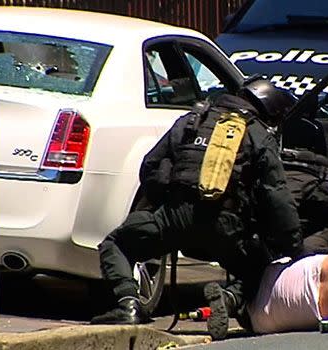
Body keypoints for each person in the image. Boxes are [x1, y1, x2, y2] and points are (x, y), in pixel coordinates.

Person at [90, 78, 304, 341]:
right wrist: (293, 247)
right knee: (263, 262)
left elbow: (150, 165)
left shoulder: (192, 120)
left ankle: (128, 305)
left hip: (174, 217)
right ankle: (229, 298)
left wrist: (163, 205)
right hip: (226, 226)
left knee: (116, 243)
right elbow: (277, 196)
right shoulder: (257, 134)